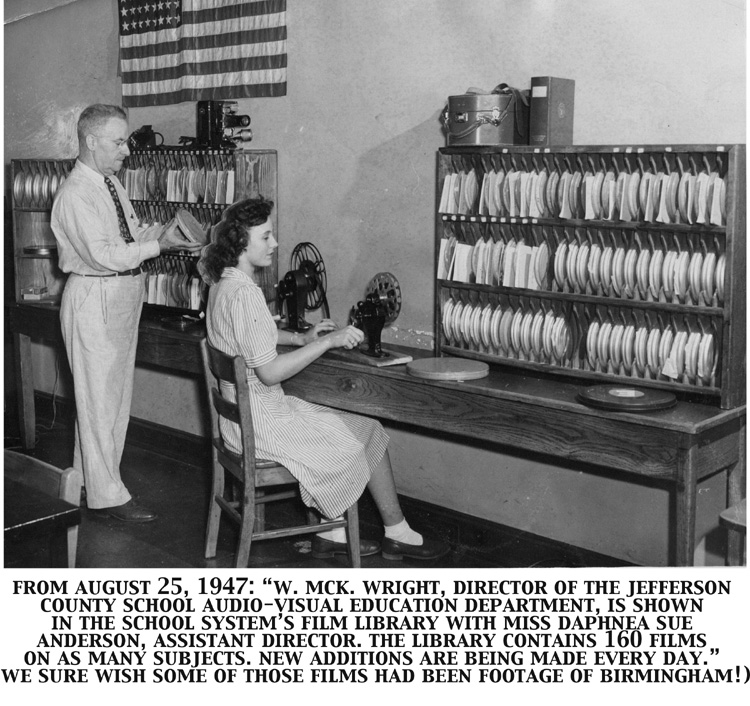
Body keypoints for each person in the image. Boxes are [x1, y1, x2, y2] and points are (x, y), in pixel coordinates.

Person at [201, 197, 449, 561]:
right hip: (264, 425)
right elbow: (270, 373)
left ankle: (357, 532)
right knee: (359, 435)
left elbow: (251, 335)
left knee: (365, 428)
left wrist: (301, 340)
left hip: (239, 421)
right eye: (266, 237)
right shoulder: (247, 294)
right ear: (241, 242)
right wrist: (328, 342)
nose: (274, 243)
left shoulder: (222, 285)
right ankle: (366, 532)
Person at [51, 104, 202, 522]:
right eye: (118, 142)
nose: (126, 150)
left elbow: (129, 236)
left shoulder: (110, 183)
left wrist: (165, 235)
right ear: (91, 140)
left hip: (121, 296)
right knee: (99, 402)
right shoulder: (75, 194)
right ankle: (108, 496)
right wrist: (158, 247)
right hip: (95, 296)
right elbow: (103, 256)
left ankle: (87, 483)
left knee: (108, 401)